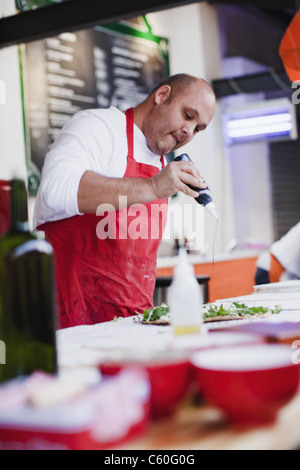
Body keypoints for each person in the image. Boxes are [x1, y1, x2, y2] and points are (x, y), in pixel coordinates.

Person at [33, 73, 216, 328]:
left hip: (133, 326)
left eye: (198, 128)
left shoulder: (161, 164)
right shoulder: (98, 127)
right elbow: (55, 189)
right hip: (72, 325)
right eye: (188, 115)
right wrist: (152, 186)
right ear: (162, 96)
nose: (188, 131)